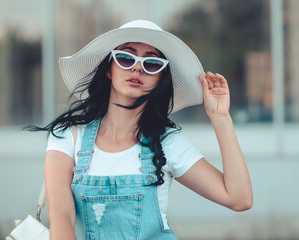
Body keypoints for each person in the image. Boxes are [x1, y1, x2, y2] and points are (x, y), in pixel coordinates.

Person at [25, 20, 253, 240]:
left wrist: (221, 118)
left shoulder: (167, 142)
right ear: (109, 69)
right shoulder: (68, 136)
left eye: (152, 63)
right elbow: (61, 217)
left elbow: (239, 198)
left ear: (160, 78)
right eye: (125, 57)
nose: (137, 67)